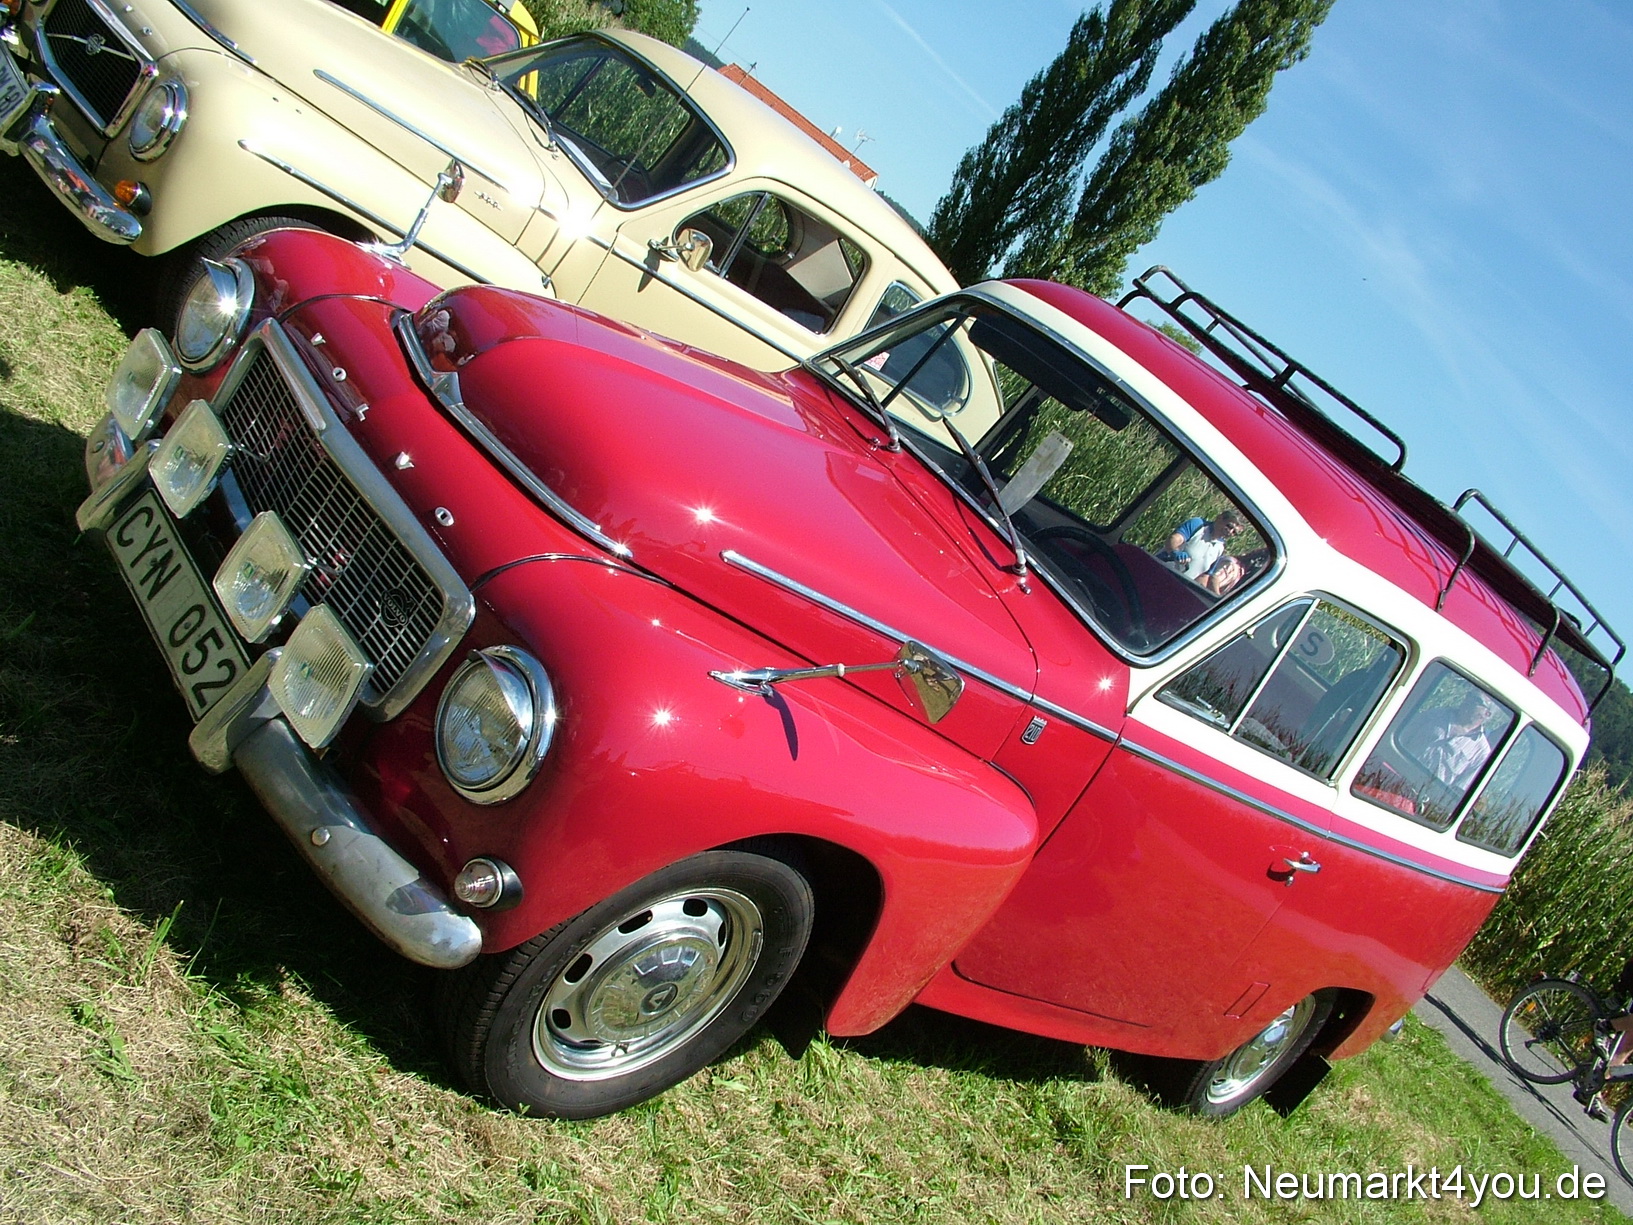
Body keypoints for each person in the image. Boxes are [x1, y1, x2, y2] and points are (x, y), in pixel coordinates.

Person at [1415, 693, 1499, 788]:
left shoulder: (1481, 752)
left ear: (1487, 714)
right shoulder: (1435, 714)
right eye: (1469, 696)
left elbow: (1458, 790)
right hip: (1400, 773)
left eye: (1477, 701)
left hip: (1423, 794)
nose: (1468, 700)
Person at [1165, 511, 1244, 583]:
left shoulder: (1220, 547)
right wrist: (1176, 551)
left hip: (1179, 586)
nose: (1230, 532)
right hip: (1163, 571)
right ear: (1219, 518)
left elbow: (1204, 576)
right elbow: (1174, 539)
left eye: (1234, 532)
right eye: (1229, 526)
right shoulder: (1198, 525)